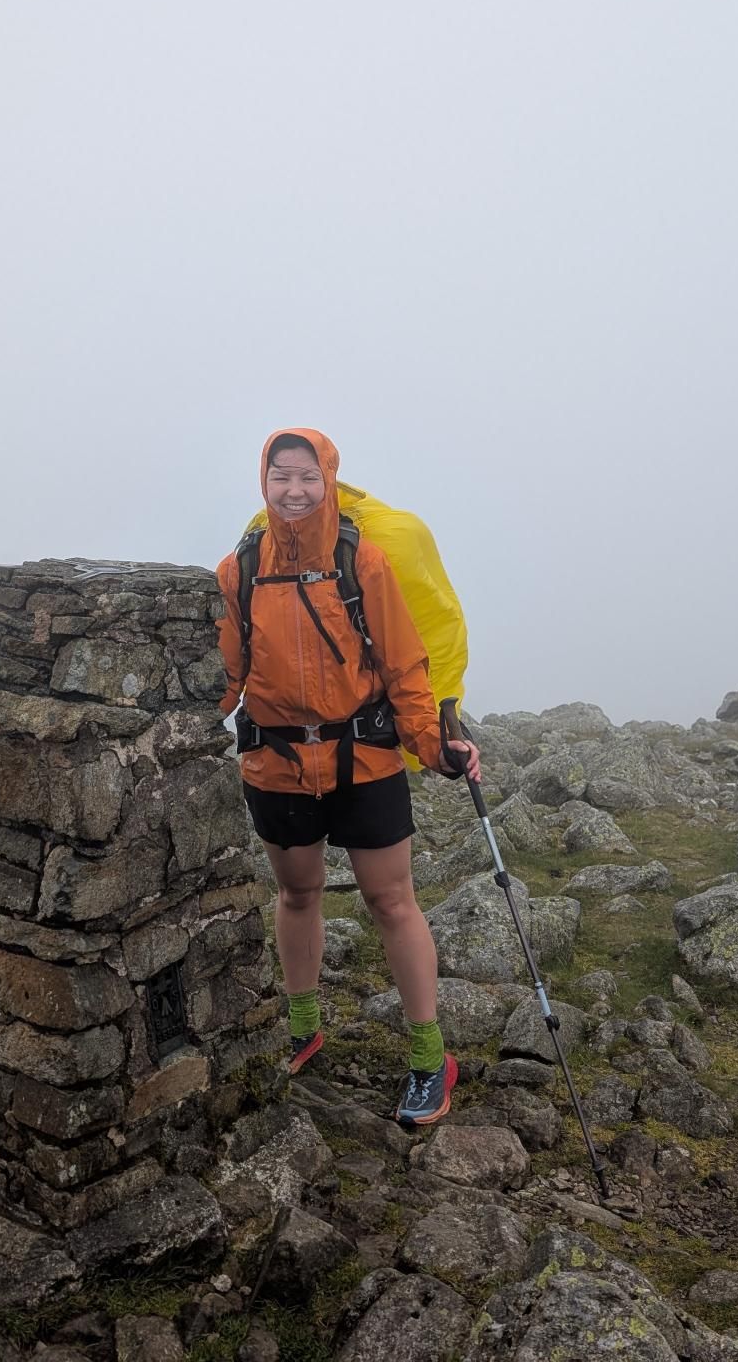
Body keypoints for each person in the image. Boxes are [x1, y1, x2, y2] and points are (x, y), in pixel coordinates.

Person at [216, 427, 481, 1127]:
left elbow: (404, 668)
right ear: (264, 483)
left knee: (392, 902)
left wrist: (437, 745)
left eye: (307, 477)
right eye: (281, 479)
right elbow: (224, 674)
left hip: (364, 760)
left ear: (327, 478)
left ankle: (430, 1057)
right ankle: (303, 1027)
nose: (294, 491)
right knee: (297, 893)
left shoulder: (362, 560)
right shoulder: (239, 569)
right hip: (274, 763)